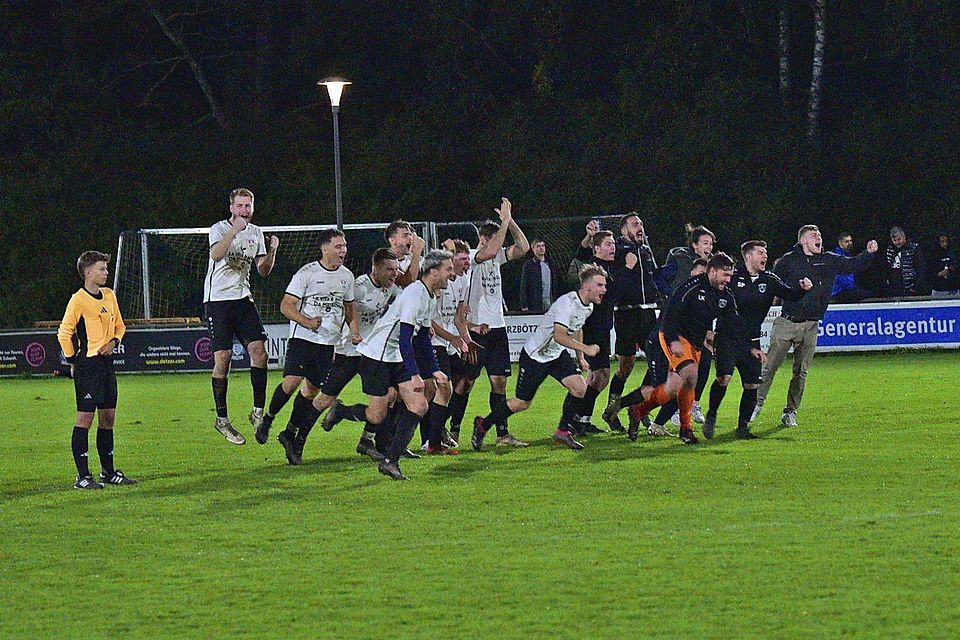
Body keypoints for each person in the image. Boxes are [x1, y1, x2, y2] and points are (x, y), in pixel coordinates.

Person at [613, 253, 753, 444]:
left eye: (730, 276)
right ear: (712, 272)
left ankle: (638, 410)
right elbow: (671, 312)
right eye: (725, 275)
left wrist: (749, 347)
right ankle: (685, 430)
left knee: (671, 390)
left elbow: (734, 324)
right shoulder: (691, 286)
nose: (728, 280)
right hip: (674, 336)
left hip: (694, 343)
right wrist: (672, 340)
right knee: (690, 374)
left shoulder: (726, 295)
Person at [753, 225, 878, 427]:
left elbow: (853, 264)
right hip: (787, 322)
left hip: (811, 325)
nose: (819, 237)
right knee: (770, 367)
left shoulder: (828, 260)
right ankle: (756, 404)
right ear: (803, 241)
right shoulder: (788, 261)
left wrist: (869, 253)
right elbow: (772, 285)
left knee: (801, 372)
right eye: (814, 235)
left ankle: (790, 412)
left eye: (819, 234)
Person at [472, 265, 608, 451]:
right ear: (586, 286)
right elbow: (559, 335)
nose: (604, 289)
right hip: (535, 356)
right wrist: (586, 348)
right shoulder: (566, 304)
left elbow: (576, 328)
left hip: (556, 355)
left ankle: (563, 430)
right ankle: (483, 424)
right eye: (600, 285)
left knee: (579, 388)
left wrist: (581, 357)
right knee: (522, 403)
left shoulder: (588, 306)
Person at [255, 229, 358, 464]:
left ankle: (289, 433)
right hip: (303, 337)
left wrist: (353, 330)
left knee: (311, 390)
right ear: (324, 249)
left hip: (327, 342)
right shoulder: (307, 273)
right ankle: (269, 419)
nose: (343, 250)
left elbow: (350, 307)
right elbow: (286, 305)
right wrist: (307, 322)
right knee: (292, 382)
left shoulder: (347, 276)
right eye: (338, 246)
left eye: (344, 246)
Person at [356, 250, 454, 480]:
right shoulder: (414, 294)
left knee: (419, 405)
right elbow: (405, 337)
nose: (452, 274)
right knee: (377, 414)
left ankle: (391, 461)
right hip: (377, 354)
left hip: (395, 355)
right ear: (433, 272)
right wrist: (414, 374)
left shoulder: (429, 296)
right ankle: (341, 411)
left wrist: (433, 370)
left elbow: (420, 338)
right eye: (447, 269)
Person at [703, 241, 812, 439]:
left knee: (752, 385)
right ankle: (711, 414)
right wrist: (710, 331)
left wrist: (802, 289)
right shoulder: (732, 279)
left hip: (752, 340)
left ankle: (742, 428)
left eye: (766, 252)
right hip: (728, 338)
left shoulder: (768, 279)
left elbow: (790, 294)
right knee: (724, 378)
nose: (765, 257)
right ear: (748, 256)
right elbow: (713, 303)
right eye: (761, 252)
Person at [203, 187, 279, 445]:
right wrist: (234, 230)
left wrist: (272, 251)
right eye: (240, 206)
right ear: (231, 208)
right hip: (218, 302)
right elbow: (216, 255)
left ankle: (257, 413)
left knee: (260, 352)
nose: (244, 211)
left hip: (242, 299)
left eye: (248, 206)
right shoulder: (219, 229)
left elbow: (263, 271)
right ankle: (222, 420)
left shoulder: (256, 233)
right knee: (223, 358)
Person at [57, 251, 135, 489]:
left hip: (106, 367)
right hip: (87, 367)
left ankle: (108, 472)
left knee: (108, 418)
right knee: (85, 419)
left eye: (106, 269)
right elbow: (64, 332)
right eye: (102, 269)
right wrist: (72, 360)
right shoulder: (78, 299)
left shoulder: (109, 295)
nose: (106, 273)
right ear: (88, 272)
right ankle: (82, 477)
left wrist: (114, 342)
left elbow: (120, 326)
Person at [460, 197, 531, 449]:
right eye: (484, 238)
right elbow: (489, 251)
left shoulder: (497, 257)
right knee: (465, 382)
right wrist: (502, 224)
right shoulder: (473, 256)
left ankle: (502, 434)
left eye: (489, 238)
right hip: (476, 329)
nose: (486, 242)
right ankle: (452, 428)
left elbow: (523, 248)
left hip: (497, 328)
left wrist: (509, 222)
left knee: (499, 383)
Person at [317, 248, 401, 460]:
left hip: (370, 353)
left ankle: (366, 440)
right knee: (324, 398)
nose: (394, 274)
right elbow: (347, 310)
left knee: (390, 395)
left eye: (396, 270)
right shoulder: (360, 287)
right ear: (376, 268)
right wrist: (350, 334)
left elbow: (404, 300)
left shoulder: (389, 288)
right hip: (348, 351)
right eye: (390, 270)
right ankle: (299, 431)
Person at [604, 213, 661, 431]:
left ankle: (639, 405)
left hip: (648, 313)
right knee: (626, 366)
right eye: (635, 224)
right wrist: (625, 268)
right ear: (623, 230)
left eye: (642, 223)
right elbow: (611, 281)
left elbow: (654, 277)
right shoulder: (617, 250)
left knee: (658, 358)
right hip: (626, 314)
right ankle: (612, 410)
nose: (640, 227)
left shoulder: (646, 250)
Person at [420, 240, 471, 453]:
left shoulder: (464, 282)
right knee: (440, 387)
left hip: (449, 341)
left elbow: (459, 317)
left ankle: (438, 428)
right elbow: (430, 321)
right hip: (435, 340)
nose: (466, 263)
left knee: (465, 380)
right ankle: (430, 438)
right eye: (461, 259)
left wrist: (466, 341)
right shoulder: (436, 284)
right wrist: (453, 338)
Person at [662, 224, 716, 425]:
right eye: (704, 242)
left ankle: (695, 404)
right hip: (681, 324)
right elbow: (663, 277)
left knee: (704, 363)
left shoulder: (711, 268)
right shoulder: (680, 260)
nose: (708, 247)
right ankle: (676, 409)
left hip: (701, 324)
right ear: (694, 245)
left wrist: (710, 329)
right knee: (681, 369)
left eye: (710, 243)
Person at [570, 227, 616, 433]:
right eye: (608, 243)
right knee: (601, 375)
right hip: (591, 328)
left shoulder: (613, 266)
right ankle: (576, 417)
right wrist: (587, 236)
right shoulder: (592, 267)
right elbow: (579, 257)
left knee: (598, 377)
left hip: (604, 327)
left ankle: (580, 419)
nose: (613, 247)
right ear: (596, 248)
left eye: (613, 243)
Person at [519, 238, 560, 312]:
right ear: (533, 248)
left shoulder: (551, 263)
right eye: (538, 246)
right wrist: (524, 304)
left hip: (551, 300)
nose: (541, 248)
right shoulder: (529, 264)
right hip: (535, 302)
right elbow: (524, 285)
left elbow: (557, 282)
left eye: (543, 246)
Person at [830, 232, 873, 303]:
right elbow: (836, 277)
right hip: (839, 291)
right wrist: (852, 287)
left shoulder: (848, 254)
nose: (850, 243)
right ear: (840, 243)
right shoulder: (836, 256)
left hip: (847, 289)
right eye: (846, 241)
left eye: (850, 241)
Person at [883, 226, 926, 297]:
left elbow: (921, 268)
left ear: (904, 236)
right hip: (895, 290)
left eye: (899, 239)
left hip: (912, 289)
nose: (897, 242)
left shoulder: (914, 248)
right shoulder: (889, 250)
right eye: (894, 240)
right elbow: (886, 268)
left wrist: (916, 286)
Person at [385, 220, 426, 288]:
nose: (411, 238)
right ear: (392, 241)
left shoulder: (420, 260)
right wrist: (417, 252)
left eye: (411, 235)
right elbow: (408, 284)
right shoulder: (383, 260)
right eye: (405, 235)